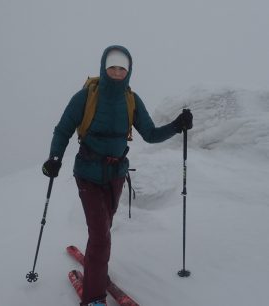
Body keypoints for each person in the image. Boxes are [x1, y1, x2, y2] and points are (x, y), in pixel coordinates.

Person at [42, 45, 193, 306]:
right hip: (88, 173)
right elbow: (63, 129)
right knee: (101, 234)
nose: (117, 71)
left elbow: (150, 134)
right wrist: (55, 157)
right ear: (104, 66)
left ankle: (96, 268)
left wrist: (177, 126)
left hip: (116, 175)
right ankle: (93, 297)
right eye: (112, 66)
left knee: (103, 230)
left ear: (129, 70)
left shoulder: (131, 99)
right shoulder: (85, 96)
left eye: (122, 67)